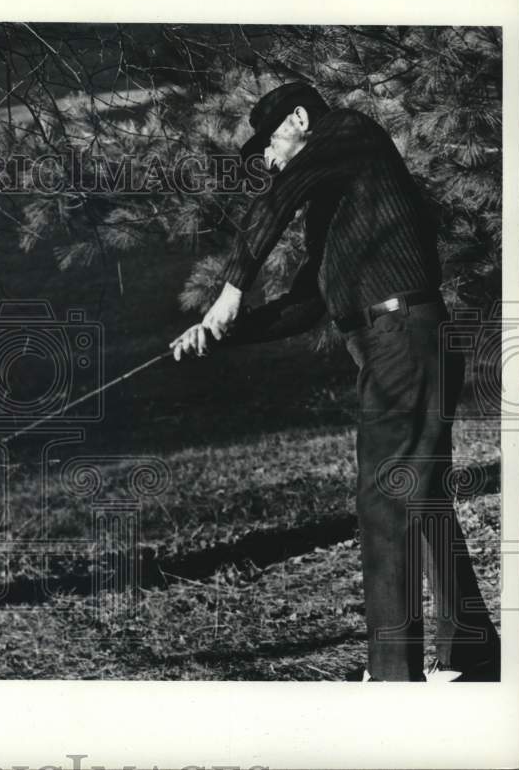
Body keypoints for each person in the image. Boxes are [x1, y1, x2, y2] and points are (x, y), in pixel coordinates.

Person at [171, 82, 501, 682]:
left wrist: (229, 292)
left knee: (384, 497)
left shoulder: (345, 131)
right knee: (419, 495)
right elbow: (304, 304)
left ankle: (392, 675)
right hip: (399, 342)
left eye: (271, 145)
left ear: (299, 118)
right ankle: (471, 648)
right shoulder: (345, 196)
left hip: (404, 336)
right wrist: (223, 331)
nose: (268, 162)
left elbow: (277, 197)